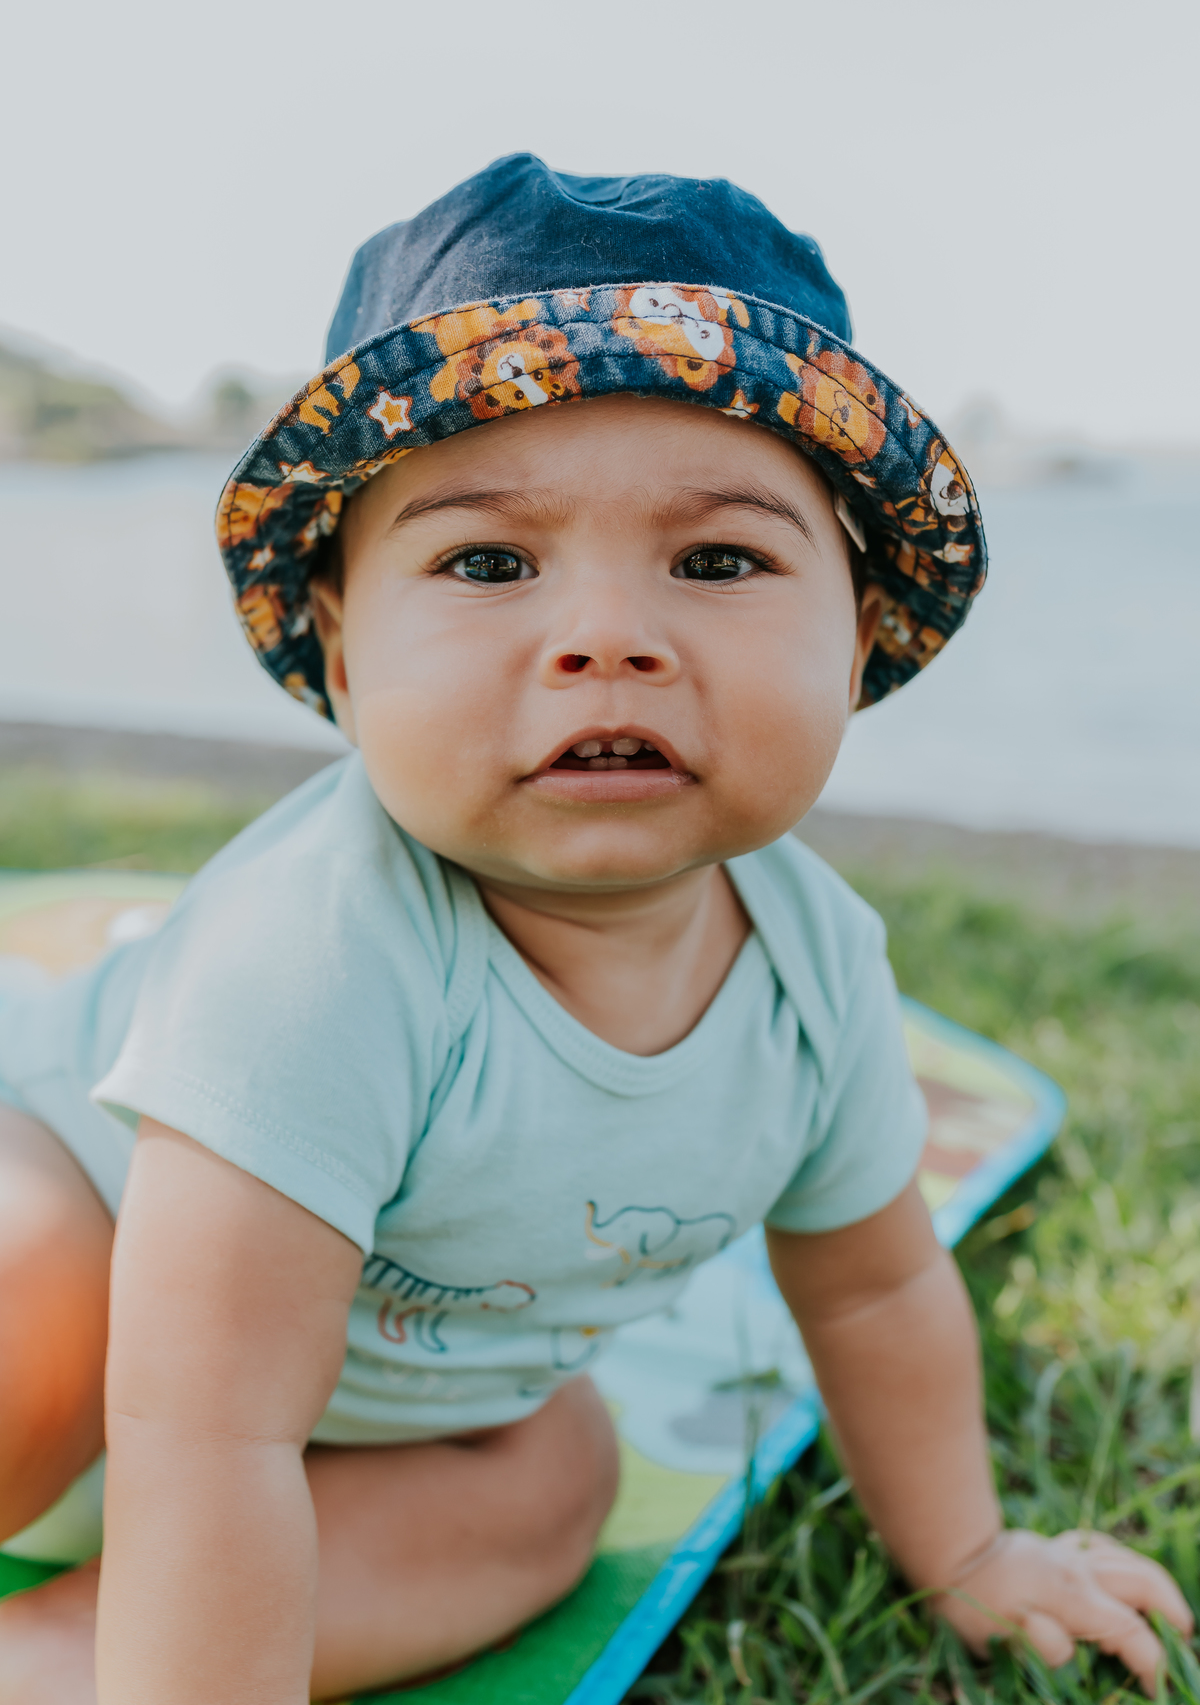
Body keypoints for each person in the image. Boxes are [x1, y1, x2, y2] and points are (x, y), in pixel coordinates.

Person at [0, 155, 1188, 1704]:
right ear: (346, 657)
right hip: (124, 1329)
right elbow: (203, 1424)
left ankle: (49, 1662)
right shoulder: (311, 957)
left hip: (373, 1421)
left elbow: (879, 1288)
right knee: (30, 1270)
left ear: (863, 639)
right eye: (489, 562)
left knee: (558, 1478)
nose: (608, 635)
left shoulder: (817, 975)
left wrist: (969, 1550)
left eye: (718, 560)